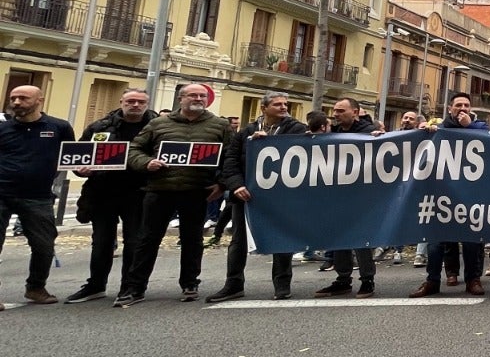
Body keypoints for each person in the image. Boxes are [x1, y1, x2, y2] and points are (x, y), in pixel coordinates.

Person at [119, 83, 233, 307]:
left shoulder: (220, 125)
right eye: (193, 95)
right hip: (159, 191)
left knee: (193, 241)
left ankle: (190, 284)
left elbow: (231, 156)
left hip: (197, 191)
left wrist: (221, 183)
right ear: (181, 99)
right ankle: (135, 288)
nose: (198, 99)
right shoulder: (158, 123)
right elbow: (134, 150)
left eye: (202, 96)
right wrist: (147, 162)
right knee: (147, 241)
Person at [205, 92, 307, 302]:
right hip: (247, 197)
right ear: (264, 108)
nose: (283, 107)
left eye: (285, 104)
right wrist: (236, 186)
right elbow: (230, 161)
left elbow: (302, 152)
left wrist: (269, 142)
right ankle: (233, 284)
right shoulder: (246, 132)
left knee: (282, 241)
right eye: (278, 104)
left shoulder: (295, 128)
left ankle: (282, 285)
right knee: (238, 242)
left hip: (281, 197)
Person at [65, 87, 154, 305]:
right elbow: (80, 155)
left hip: (139, 194)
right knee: (101, 242)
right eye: (131, 101)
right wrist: (80, 169)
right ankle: (95, 285)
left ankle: (130, 287)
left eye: (140, 102)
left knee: (135, 242)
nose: (135, 105)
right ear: (122, 102)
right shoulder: (99, 127)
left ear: (147, 104)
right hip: (102, 191)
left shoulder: (157, 128)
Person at [0, 84, 77, 306]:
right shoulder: (2, 128)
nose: (16, 102)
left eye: (23, 98)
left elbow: (72, 155)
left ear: (39, 100)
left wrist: (83, 168)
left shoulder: (59, 127)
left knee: (44, 244)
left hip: (38, 196)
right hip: (2, 193)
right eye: (13, 98)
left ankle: (36, 288)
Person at [414, 93, 490, 297]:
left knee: (472, 240)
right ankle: (432, 280)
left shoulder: (479, 126)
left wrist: (468, 127)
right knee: (436, 241)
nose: (462, 108)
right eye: (458, 105)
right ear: (450, 109)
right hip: (441, 193)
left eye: (466, 104)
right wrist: (425, 132)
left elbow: (488, 137)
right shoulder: (440, 128)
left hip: (470, 194)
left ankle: (473, 279)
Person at [316, 98, 378, 298]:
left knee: (361, 238)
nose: (336, 114)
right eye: (334, 110)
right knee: (339, 236)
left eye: (341, 110)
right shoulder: (332, 133)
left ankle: (367, 279)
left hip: (362, 195)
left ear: (356, 112)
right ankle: (343, 279)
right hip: (338, 194)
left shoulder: (369, 132)